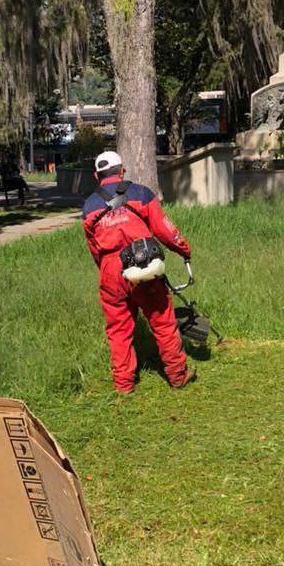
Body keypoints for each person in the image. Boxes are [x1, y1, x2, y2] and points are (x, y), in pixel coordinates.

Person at [82, 151, 196, 395]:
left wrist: (108, 272)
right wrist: (184, 250)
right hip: (143, 265)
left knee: (118, 330)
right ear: (122, 170)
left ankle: (123, 385)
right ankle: (177, 375)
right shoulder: (141, 193)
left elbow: (94, 250)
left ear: (96, 176)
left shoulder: (89, 206)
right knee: (163, 321)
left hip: (110, 273)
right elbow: (164, 231)